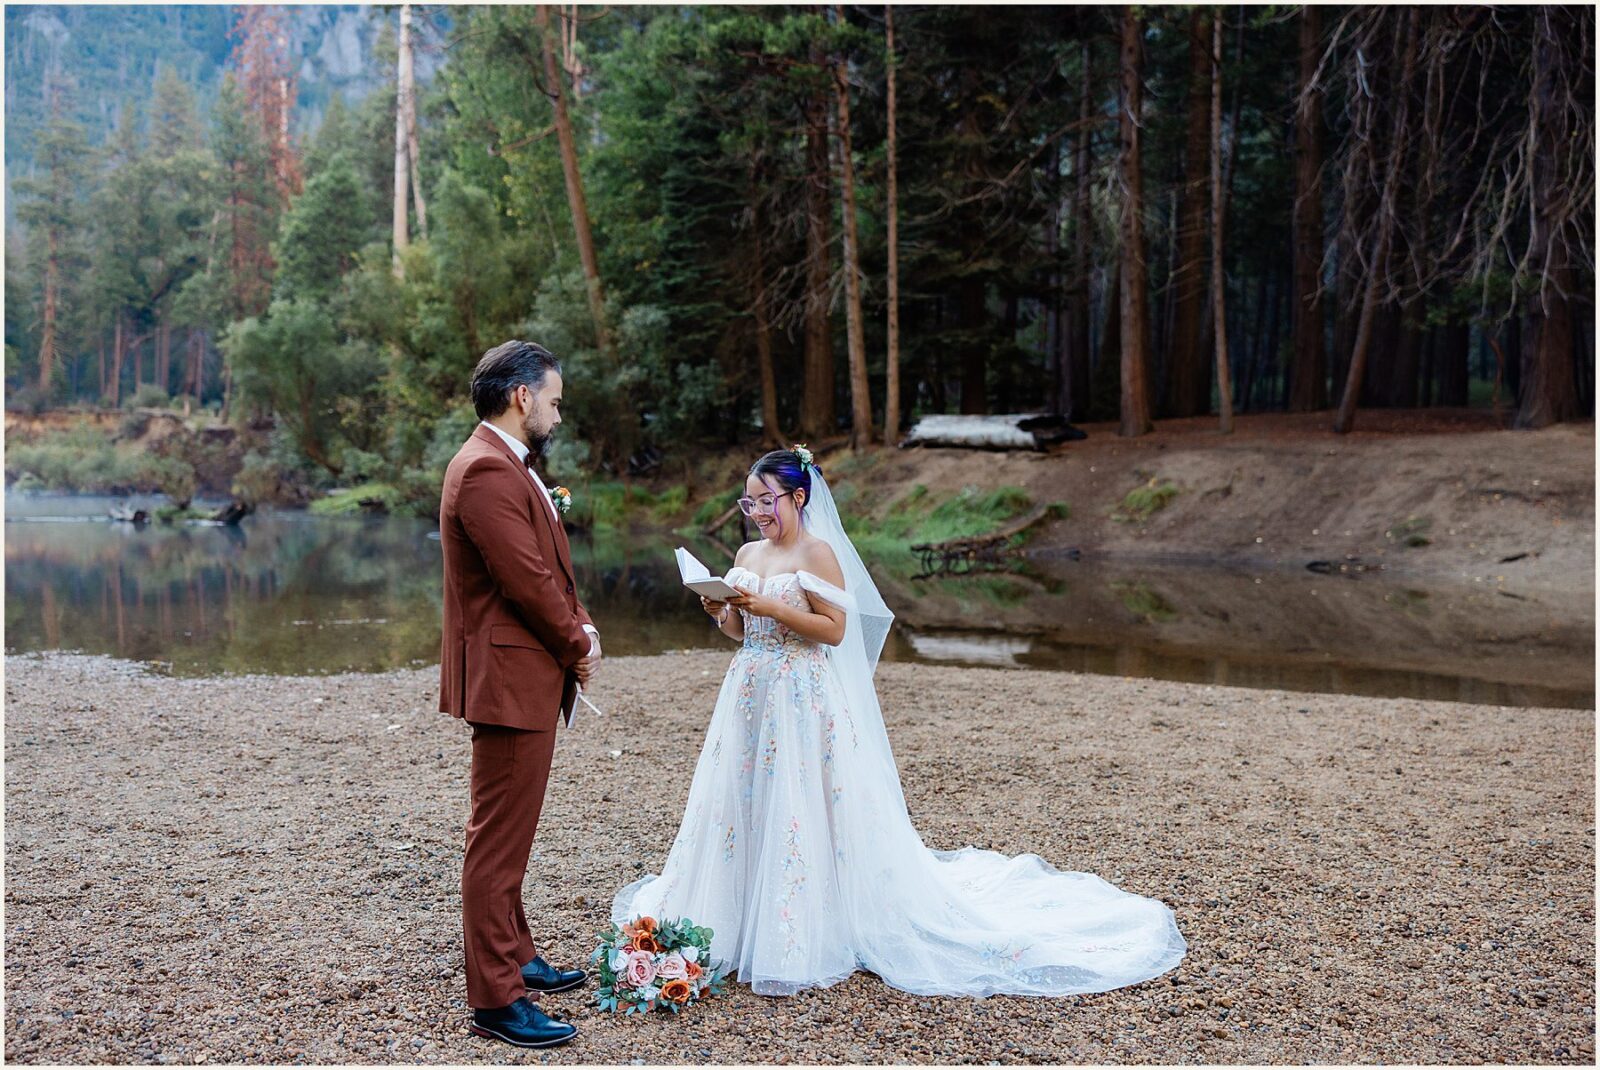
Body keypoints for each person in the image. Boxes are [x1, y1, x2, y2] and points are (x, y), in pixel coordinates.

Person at [612, 447, 1187, 998]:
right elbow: (740, 633)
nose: (759, 513)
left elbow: (835, 629)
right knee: (745, 794)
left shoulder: (816, 554)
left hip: (802, 693)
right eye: (749, 503)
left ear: (799, 496)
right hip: (750, 690)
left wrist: (775, 609)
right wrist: (722, 611)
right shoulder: (745, 557)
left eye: (768, 501)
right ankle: (739, 910)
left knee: (802, 795)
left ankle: (802, 921)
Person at [438, 340, 599, 1047]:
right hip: (509, 677)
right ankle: (496, 1001)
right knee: (497, 842)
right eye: (556, 402)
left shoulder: (509, 465)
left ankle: (518, 957)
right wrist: (577, 643)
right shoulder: (482, 470)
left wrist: (582, 622)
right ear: (522, 397)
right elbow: (524, 579)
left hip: (524, 673)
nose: (560, 416)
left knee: (511, 833)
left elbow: (549, 568)